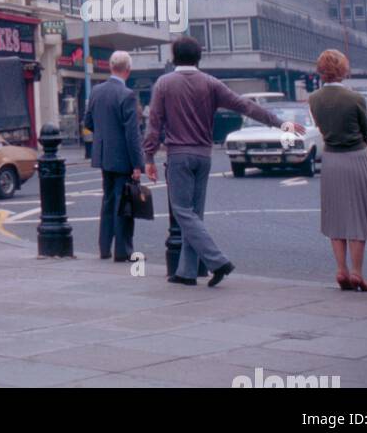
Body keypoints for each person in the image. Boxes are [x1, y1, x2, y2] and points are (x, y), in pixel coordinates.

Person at [145, 36, 304, 287]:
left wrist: (149, 156)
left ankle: (217, 261)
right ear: (199, 57)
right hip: (204, 155)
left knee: (182, 211)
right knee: (194, 214)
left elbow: (154, 122)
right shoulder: (211, 83)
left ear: (174, 56)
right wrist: (280, 123)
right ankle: (186, 273)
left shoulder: (164, 83)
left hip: (179, 155)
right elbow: (246, 107)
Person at [308, 49, 367, 292]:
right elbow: (364, 131)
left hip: (331, 158)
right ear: (342, 69)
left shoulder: (313, 99)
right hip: (356, 156)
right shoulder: (355, 98)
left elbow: (320, 126)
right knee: (358, 215)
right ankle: (358, 273)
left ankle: (341, 270)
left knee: (335, 216)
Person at [85, 51, 146, 262]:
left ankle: (104, 248)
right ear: (127, 70)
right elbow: (132, 134)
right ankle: (123, 251)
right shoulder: (127, 95)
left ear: (111, 67)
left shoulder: (96, 91)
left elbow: (88, 122)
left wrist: (104, 137)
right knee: (124, 204)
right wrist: (138, 164)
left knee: (108, 201)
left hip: (103, 156)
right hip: (123, 158)